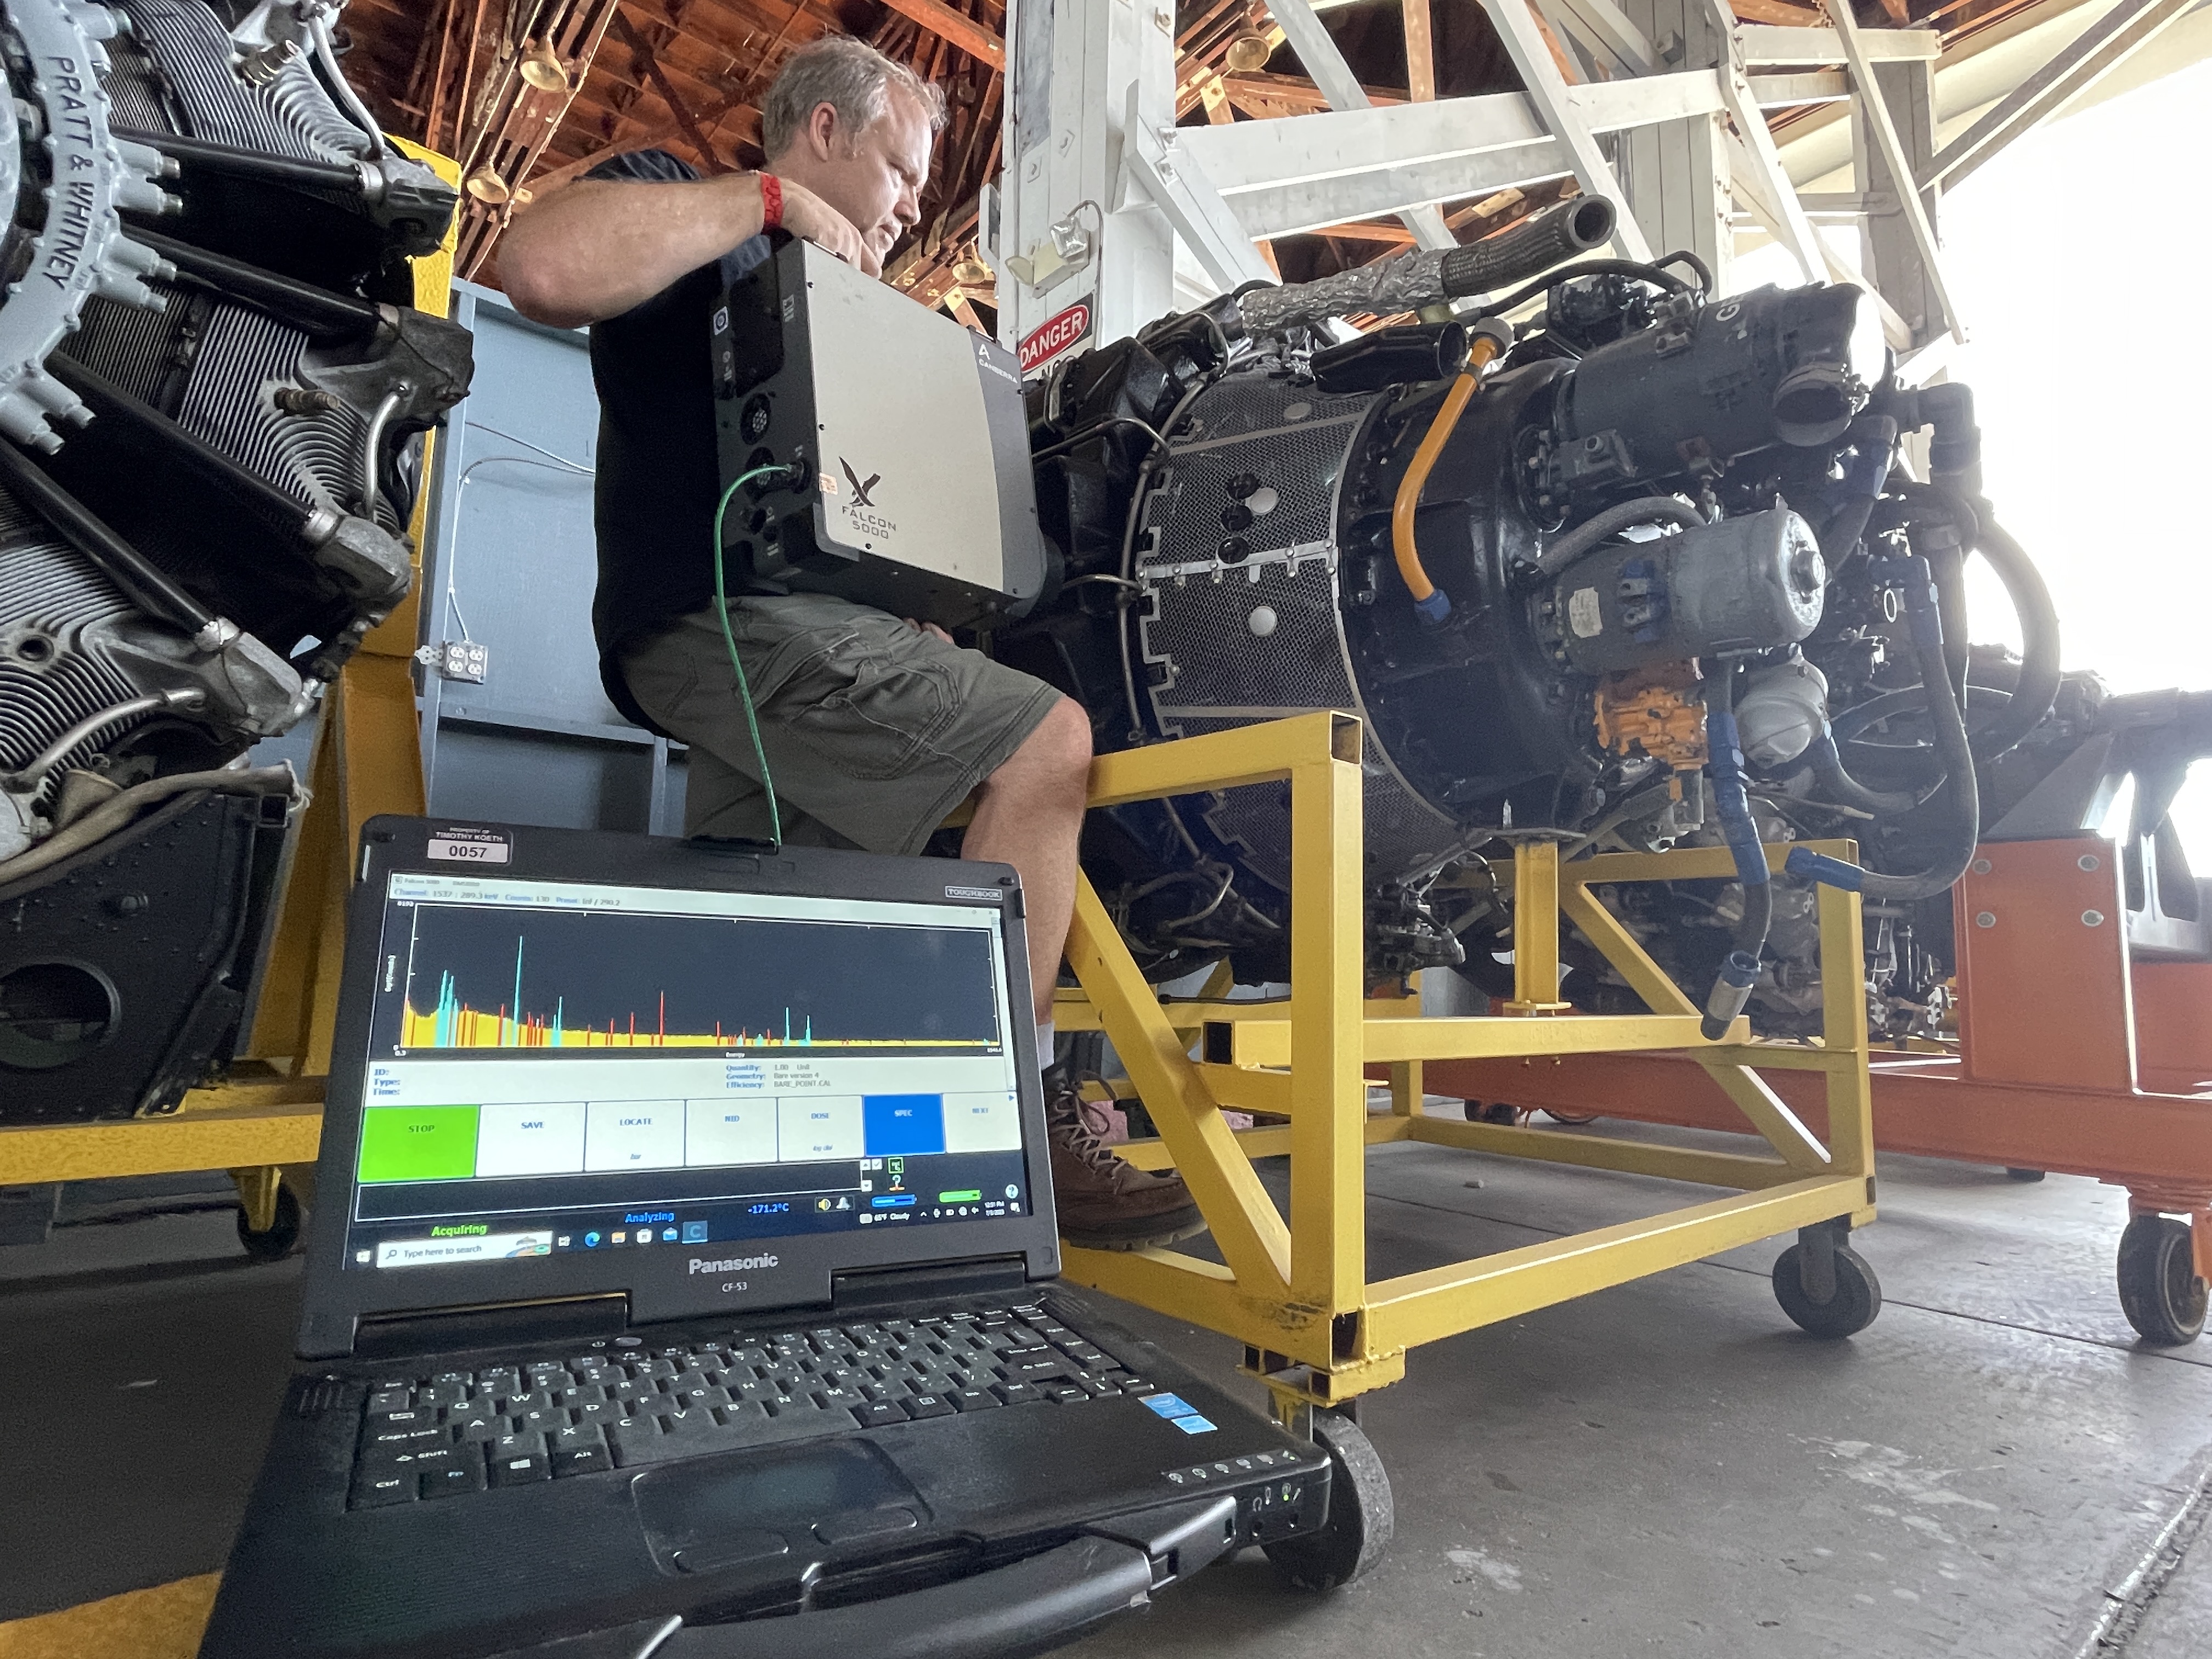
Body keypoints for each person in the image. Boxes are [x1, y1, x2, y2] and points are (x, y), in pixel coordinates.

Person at [498, 36, 1199, 1251]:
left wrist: (910, 610)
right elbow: (538, 265)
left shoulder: (859, 309)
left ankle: (750, 1223)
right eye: (902, 165)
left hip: (774, 635)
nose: (918, 198)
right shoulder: (694, 199)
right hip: (724, 620)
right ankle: (1012, 1119)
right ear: (823, 135)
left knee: (779, 913)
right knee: (1047, 744)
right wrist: (767, 204)